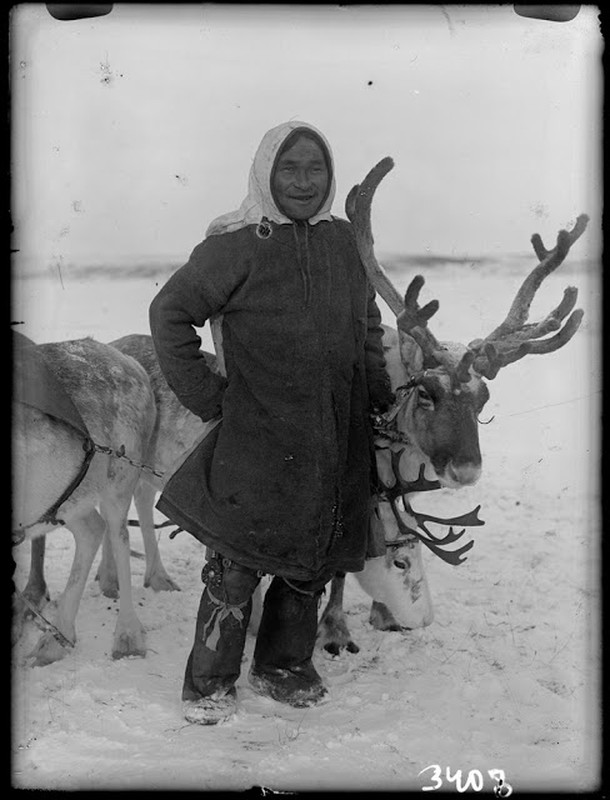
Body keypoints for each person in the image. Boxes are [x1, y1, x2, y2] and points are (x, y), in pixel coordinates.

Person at [149, 120, 394, 725]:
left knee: (312, 560)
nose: (304, 182)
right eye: (290, 169)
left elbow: (366, 328)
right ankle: (209, 682)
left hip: (336, 435)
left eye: (316, 170)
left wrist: (380, 397)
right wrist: (211, 397)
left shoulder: (345, 244)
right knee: (235, 565)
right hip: (255, 437)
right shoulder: (235, 247)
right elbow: (169, 316)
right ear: (266, 173)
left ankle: (283, 665)